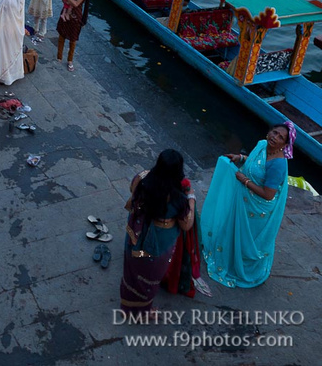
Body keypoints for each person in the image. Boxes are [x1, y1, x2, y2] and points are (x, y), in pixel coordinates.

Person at [200, 122, 293, 288]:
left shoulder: (278, 164)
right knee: (233, 230)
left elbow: (268, 194)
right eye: (275, 132)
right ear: (269, 132)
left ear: (285, 145)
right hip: (244, 199)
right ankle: (228, 258)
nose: (275, 137)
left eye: (281, 137)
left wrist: (246, 181)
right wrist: (240, 158)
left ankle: (240, 268)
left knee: (244, 240)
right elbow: (255, 162)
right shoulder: (262, 145)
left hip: (257, 209)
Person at [120, 149, 195, 315]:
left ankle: (129, 303)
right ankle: (143, 311)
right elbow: (186, 225)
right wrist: (192, 198)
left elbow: (132, 190)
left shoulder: (142, 179)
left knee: (133, 270)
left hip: (136, 236)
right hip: (158, 243)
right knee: (149, 276)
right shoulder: (177, 198)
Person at [56, 0, 90, 71]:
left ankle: (70, 60)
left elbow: (76, 4)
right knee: (62, 34)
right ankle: (59, 57)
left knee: (73, 38)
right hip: (66, 9)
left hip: (76, 14)